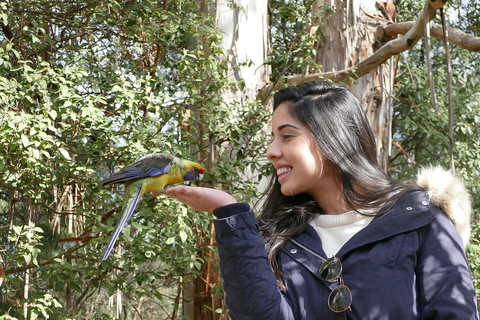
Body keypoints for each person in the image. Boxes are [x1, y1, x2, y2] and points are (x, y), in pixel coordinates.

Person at [164, 81, 479, 319]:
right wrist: (230, 214)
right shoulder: (282, 240)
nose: (271, 151)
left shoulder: (421, 219)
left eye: (286, 136)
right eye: (273, 138)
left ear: (332, 139)